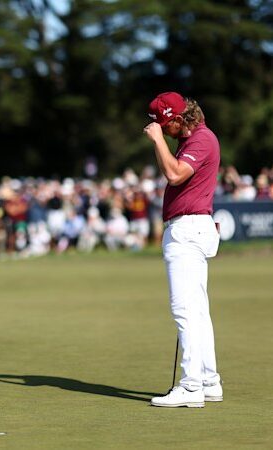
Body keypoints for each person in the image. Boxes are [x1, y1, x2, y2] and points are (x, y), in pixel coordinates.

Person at [144, 92, 222, 408]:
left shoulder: (201, 140)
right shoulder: (193, 140)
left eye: (164, 124)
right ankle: (208, 380)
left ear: (178, 118)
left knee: (185, 310)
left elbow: (175, 174)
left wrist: (156, 141)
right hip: (191, 228)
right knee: (198, 311)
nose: (162, 130)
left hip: (187, 230)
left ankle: (191, 387)